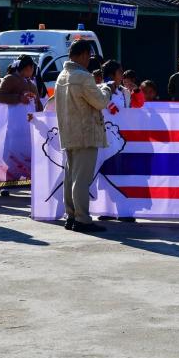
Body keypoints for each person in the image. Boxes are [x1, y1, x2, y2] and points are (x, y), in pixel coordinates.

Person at [54, 39, 112, 233]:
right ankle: (82, 219)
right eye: (88, 56)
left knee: (71, 177)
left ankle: (71, 216)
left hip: (68, 133)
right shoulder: (83, 77)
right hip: (86, 134)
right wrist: (106, 88)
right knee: (81, 179)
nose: (89, 60)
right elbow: (101, 102)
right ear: (83, 54)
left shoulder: (62, 76)